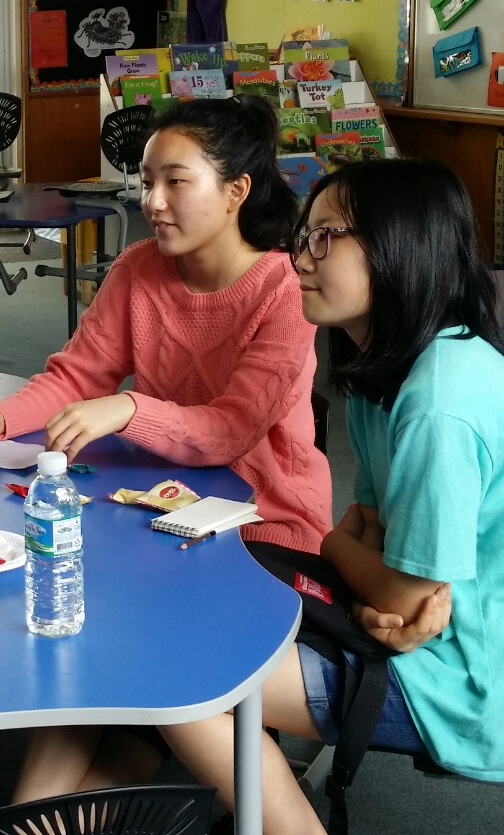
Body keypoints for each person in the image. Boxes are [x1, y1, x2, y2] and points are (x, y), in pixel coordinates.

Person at [0, 96, 332, 801]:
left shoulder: (283, 290)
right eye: (147, 181)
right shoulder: (139, 268)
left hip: (264, 529)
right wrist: (0, 419)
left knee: (125, 648)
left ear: (236, 190)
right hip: (160, 513)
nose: (152, 201)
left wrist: (128, 407)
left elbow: (229, 430)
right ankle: (33, 817)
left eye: (175, 181)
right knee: (93, 630)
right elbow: (76, 375)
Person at [161, 158, 504, 832]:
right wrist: (362, 566)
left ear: (400, 246)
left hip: (466, 675)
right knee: (197, 616)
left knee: (178, 678)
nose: (300, 259)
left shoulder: (440, 402)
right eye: (303, 237)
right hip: (417, 632)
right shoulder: (385, 369)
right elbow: (371, 536)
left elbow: (400, 595)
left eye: (326, 238)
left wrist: (330, 544)